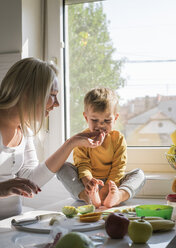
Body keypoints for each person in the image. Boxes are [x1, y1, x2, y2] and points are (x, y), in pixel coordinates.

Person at [0, 58, 105, 219]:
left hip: (10, 224)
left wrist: (72, 143)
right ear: (28, 92)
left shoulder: (25, 129)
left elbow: (31, 181)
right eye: (52, 95)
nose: (56, 104)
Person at [57, 88, 145, 208]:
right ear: (86, 117)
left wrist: (106, 190)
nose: (100, 125)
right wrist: (90, 183)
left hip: (113, 185)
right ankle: (87, 197)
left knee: (139, 174)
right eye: (95, 120)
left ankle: (118, 196)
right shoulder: (82, 139)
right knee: (62, 167)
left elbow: (118, 168)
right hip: (87, 185)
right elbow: (83, 165)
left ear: (115, 118)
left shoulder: (118, 139)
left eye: (107, 120)